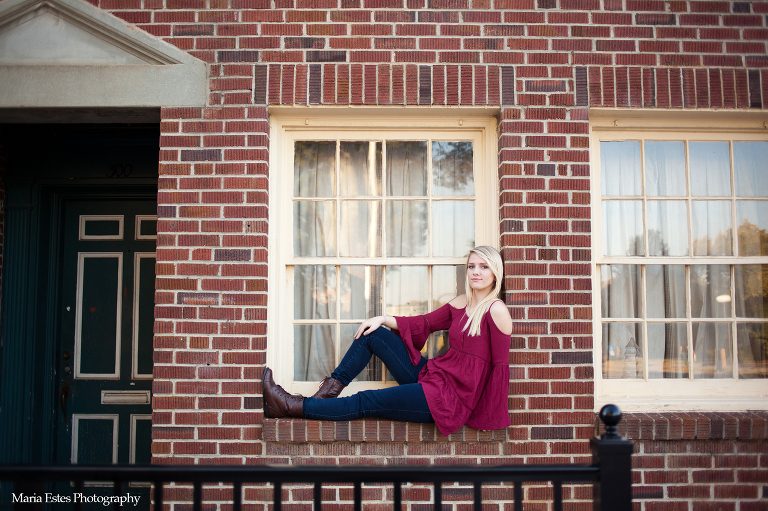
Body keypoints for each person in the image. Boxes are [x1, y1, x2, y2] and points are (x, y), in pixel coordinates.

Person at [262, 246, 513, 436]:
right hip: (433, 376)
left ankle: (292, 406)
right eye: (472, 266)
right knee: (375, 333)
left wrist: (480, 416)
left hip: (447, 400)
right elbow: (423, 323)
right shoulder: (462, 302)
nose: (476, 272)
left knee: (366, 400)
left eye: (484, 267)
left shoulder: (496, 310)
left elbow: (499, 370)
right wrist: (381, 318)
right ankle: (326, 396)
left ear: (495, 273)